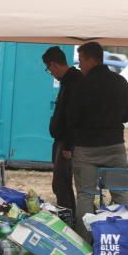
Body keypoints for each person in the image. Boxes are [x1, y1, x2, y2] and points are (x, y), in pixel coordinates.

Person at [68, 41, 128, 240]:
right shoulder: (119, 81)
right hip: (115, 146)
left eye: (81, 61)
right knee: (121, 193)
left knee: (85, 195)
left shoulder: (81, 85)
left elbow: (72, 118)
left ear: (91, 59)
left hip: (86, 148)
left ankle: (85, 241)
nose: (79, 65)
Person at [43, 46, 82, 224]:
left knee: (61, 183)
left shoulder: (73, 81)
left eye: (49, 68)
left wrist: (68, 146)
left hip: (66, 142)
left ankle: (68, 220)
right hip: (62, 140)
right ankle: (69, 217)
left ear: (54, 64)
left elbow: (73, 116)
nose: (50, 72)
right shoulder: (68, 81)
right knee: (60, 183)